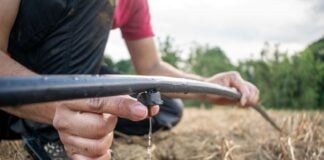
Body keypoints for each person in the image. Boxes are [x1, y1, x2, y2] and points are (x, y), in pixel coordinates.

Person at [0, 0, 259, 159]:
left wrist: (208, 86)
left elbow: (151, 65)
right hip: (12, 94)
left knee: (163, 107)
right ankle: (53, 134)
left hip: (70, 72)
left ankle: (84, 121)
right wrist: (57, 107)